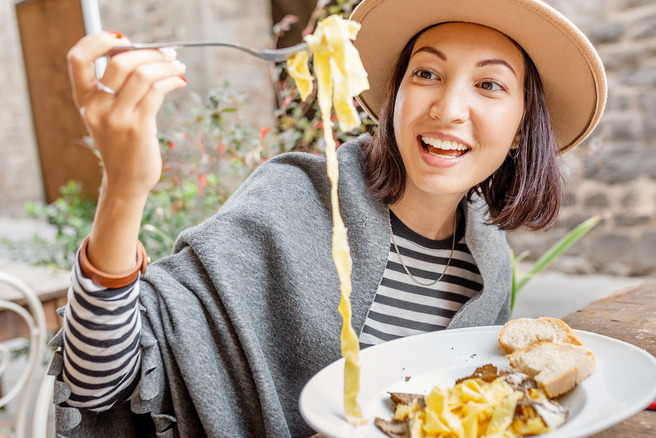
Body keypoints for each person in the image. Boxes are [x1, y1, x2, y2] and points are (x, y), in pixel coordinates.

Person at [52, 0, 607, 436]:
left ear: (520, 130)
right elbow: (98, 379)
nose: (448, 109)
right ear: (392, 97)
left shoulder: (487, 263)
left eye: (489, 85)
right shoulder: (292, 199)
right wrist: (124, 187)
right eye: (427, 74)